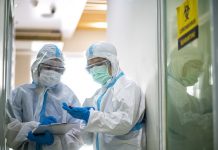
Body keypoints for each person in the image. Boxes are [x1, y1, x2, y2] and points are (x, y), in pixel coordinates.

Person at [62, 41, 146, 150]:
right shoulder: (98, 95)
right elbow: (88, 139)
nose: (94, 69)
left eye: (98, 63)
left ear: (112, 61)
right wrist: (85, 120)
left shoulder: (128, 87)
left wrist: (90, 116)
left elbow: (124, 123)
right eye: (90, 66)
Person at [5, 44, 82, 150]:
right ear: (38, 66)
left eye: (57, 69)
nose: (52, 72)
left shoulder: (69, 96)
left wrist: (54, 141)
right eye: (48, 67)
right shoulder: (20, 93)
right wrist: (35, 128)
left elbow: (78, 134)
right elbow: (9, 131)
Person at [167, 47, 213, 150]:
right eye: (195, 66)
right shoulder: (171, 88)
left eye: (200, 68)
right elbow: (189, 125)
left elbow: (196, 105)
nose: (199, 72)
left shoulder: (176, 87)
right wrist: (214, 119)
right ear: (180, 64)